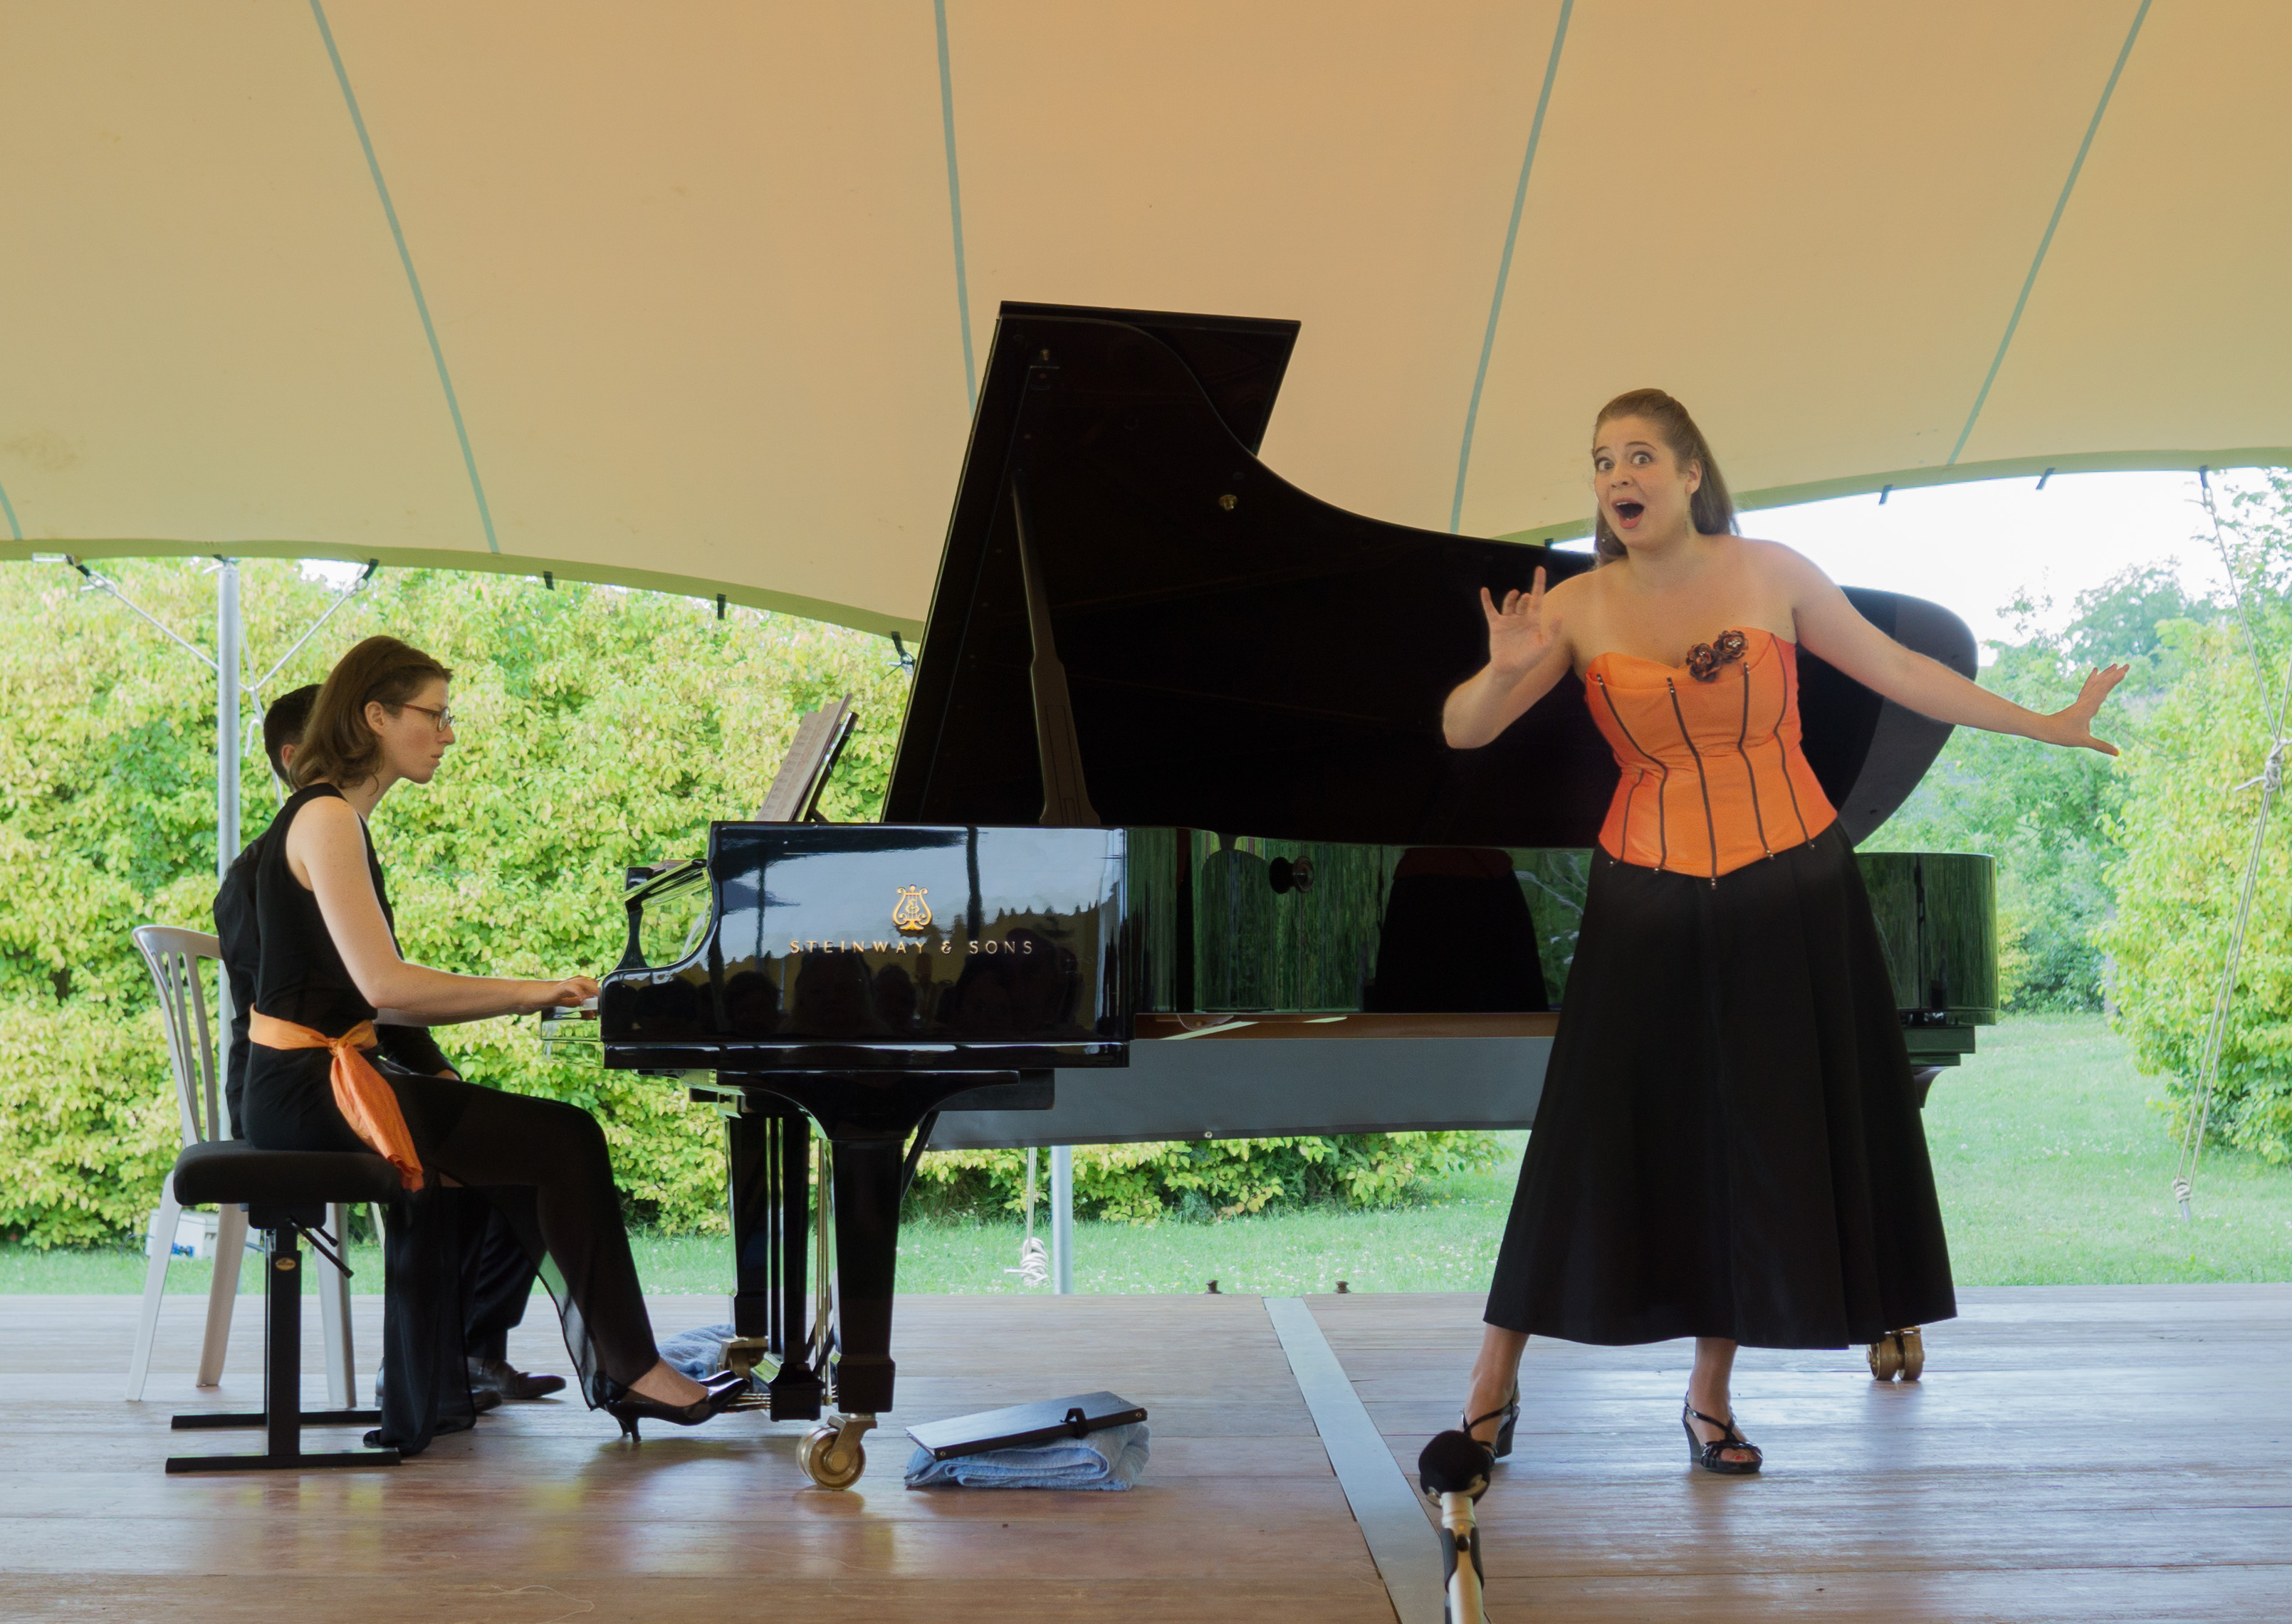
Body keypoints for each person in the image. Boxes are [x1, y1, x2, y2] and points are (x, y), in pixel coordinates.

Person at [1441, 389, 2125, 1474]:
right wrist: (1502, 663)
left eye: (1638, 457)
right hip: (1643, 893)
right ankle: (1489, 1387)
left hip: (1791, 885)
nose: (1616, 478)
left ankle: (1709, 1398)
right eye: (1601, 462)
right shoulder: (1571, 606)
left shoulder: (1775, 573)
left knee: (1755, 1137)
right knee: (1587, 1135)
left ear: (1689, 474)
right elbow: (1464, 731)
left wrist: (2042, 724)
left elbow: (1900, 670)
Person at [236, 634, 745, 1452]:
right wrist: (532, 990)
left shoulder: (332, 815)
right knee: (565, 1140)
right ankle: (631, 1369)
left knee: (537, 1144)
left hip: (316, 1082)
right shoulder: (327, 817)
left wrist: (477, 1033)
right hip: (309, 1092)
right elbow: (386, 986)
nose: (447, 734)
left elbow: (366, 988)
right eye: (434, 715)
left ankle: (460, 1378)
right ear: (375, 715)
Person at [214, 683, 564, 1410]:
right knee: (505, 1151)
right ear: (297, 755)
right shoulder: (262, 869)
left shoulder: (330, 838)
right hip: (290, 1091)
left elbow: (371, 998)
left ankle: (465, 1352)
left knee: (499, 1146)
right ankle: (435, 1365)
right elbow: (338, 1003)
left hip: (339, 1072)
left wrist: (437, 1069)